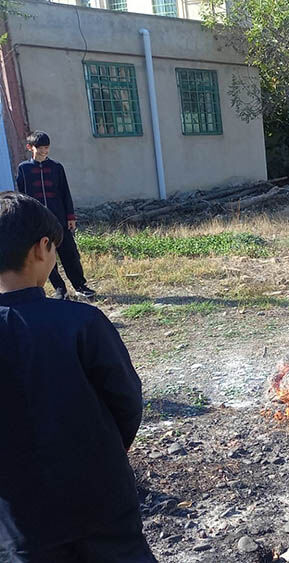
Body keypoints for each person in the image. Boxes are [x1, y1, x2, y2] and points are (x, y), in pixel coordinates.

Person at [0, 192, 152, 562]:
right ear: (42, 248)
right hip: (101, 503)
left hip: (21, 522)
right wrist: (109, 451)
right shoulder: (82, 323)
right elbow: (126, 400)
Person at [15, 131, 96, 300]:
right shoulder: (24, 169)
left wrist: (70, 217)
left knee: (70, 253)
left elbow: (65, 193)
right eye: (40, 148)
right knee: (46, 257)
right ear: (31, 148)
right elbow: (23, 197)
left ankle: (80, 286)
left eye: (47, 148)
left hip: (59, 219)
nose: (44, 151)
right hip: (38, 222)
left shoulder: (57, 167)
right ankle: (60, 289)